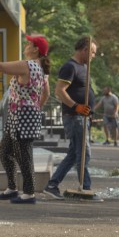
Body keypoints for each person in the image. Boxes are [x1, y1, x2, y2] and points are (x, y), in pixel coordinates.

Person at [0, 34, 51, 204]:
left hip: (22, 116)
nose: (26, 45)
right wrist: (36, 106)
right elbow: (46, 93)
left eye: (30, 43)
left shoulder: (27, 65)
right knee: (5, 151)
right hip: (20, 115)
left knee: (24, 154)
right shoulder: (41, 69)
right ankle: (12, 188)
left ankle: (29, 193)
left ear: (36, 49)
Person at [43, 37, 97, 199]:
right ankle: (85, 188)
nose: (94, 56)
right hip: (74, 117)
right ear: (84, 50)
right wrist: (76, 106)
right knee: (83, 153)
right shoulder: (70, 67)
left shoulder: (84, 67)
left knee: (74, 154)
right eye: (92, 52)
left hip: (83, 117)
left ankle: (52, 185)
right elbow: (60, 91)